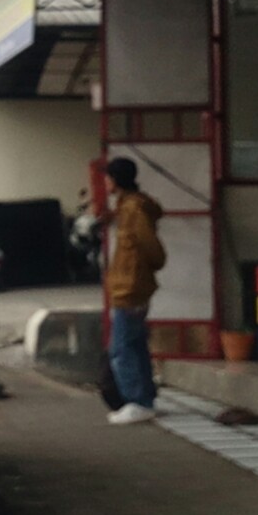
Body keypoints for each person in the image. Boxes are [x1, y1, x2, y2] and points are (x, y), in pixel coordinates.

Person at [103, 157, 165, 426]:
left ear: (115, 179)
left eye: (107, 177)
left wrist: (150, 265)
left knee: (122, 348)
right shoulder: (128, 206)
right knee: (136, 344)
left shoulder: (133, 209)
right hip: (132, 285)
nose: (105, 182)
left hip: (130, 287)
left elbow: (150, 246)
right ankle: (145, 398)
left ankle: (137, 400)